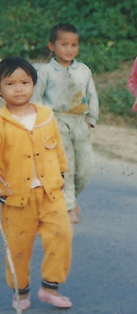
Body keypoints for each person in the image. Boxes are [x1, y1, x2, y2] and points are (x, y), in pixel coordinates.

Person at [0, 57, 73, 310]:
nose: (18, 88)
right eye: (10, 83)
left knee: (61, 235)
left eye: (24, 82)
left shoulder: (45, 116)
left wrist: (61, 175)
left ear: (33, 84)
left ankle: (50, 288)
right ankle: (21, 293)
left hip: (50, 193)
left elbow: (58, 149)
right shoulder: (1, 122)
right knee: (18, 247)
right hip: (15, 199)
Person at [34, 23, 99, 224]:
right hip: (56, 121)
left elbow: (92, 96)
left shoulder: (83, 71)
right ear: (52, 46)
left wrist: (91, 120)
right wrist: (44, 123)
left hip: (80, 122)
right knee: (67, 166)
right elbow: (37, 99)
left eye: (74, 45)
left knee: (85, 168)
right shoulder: (45, 72)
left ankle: (67, 199)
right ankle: (68, 207)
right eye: (64, 44)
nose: (69, 49)